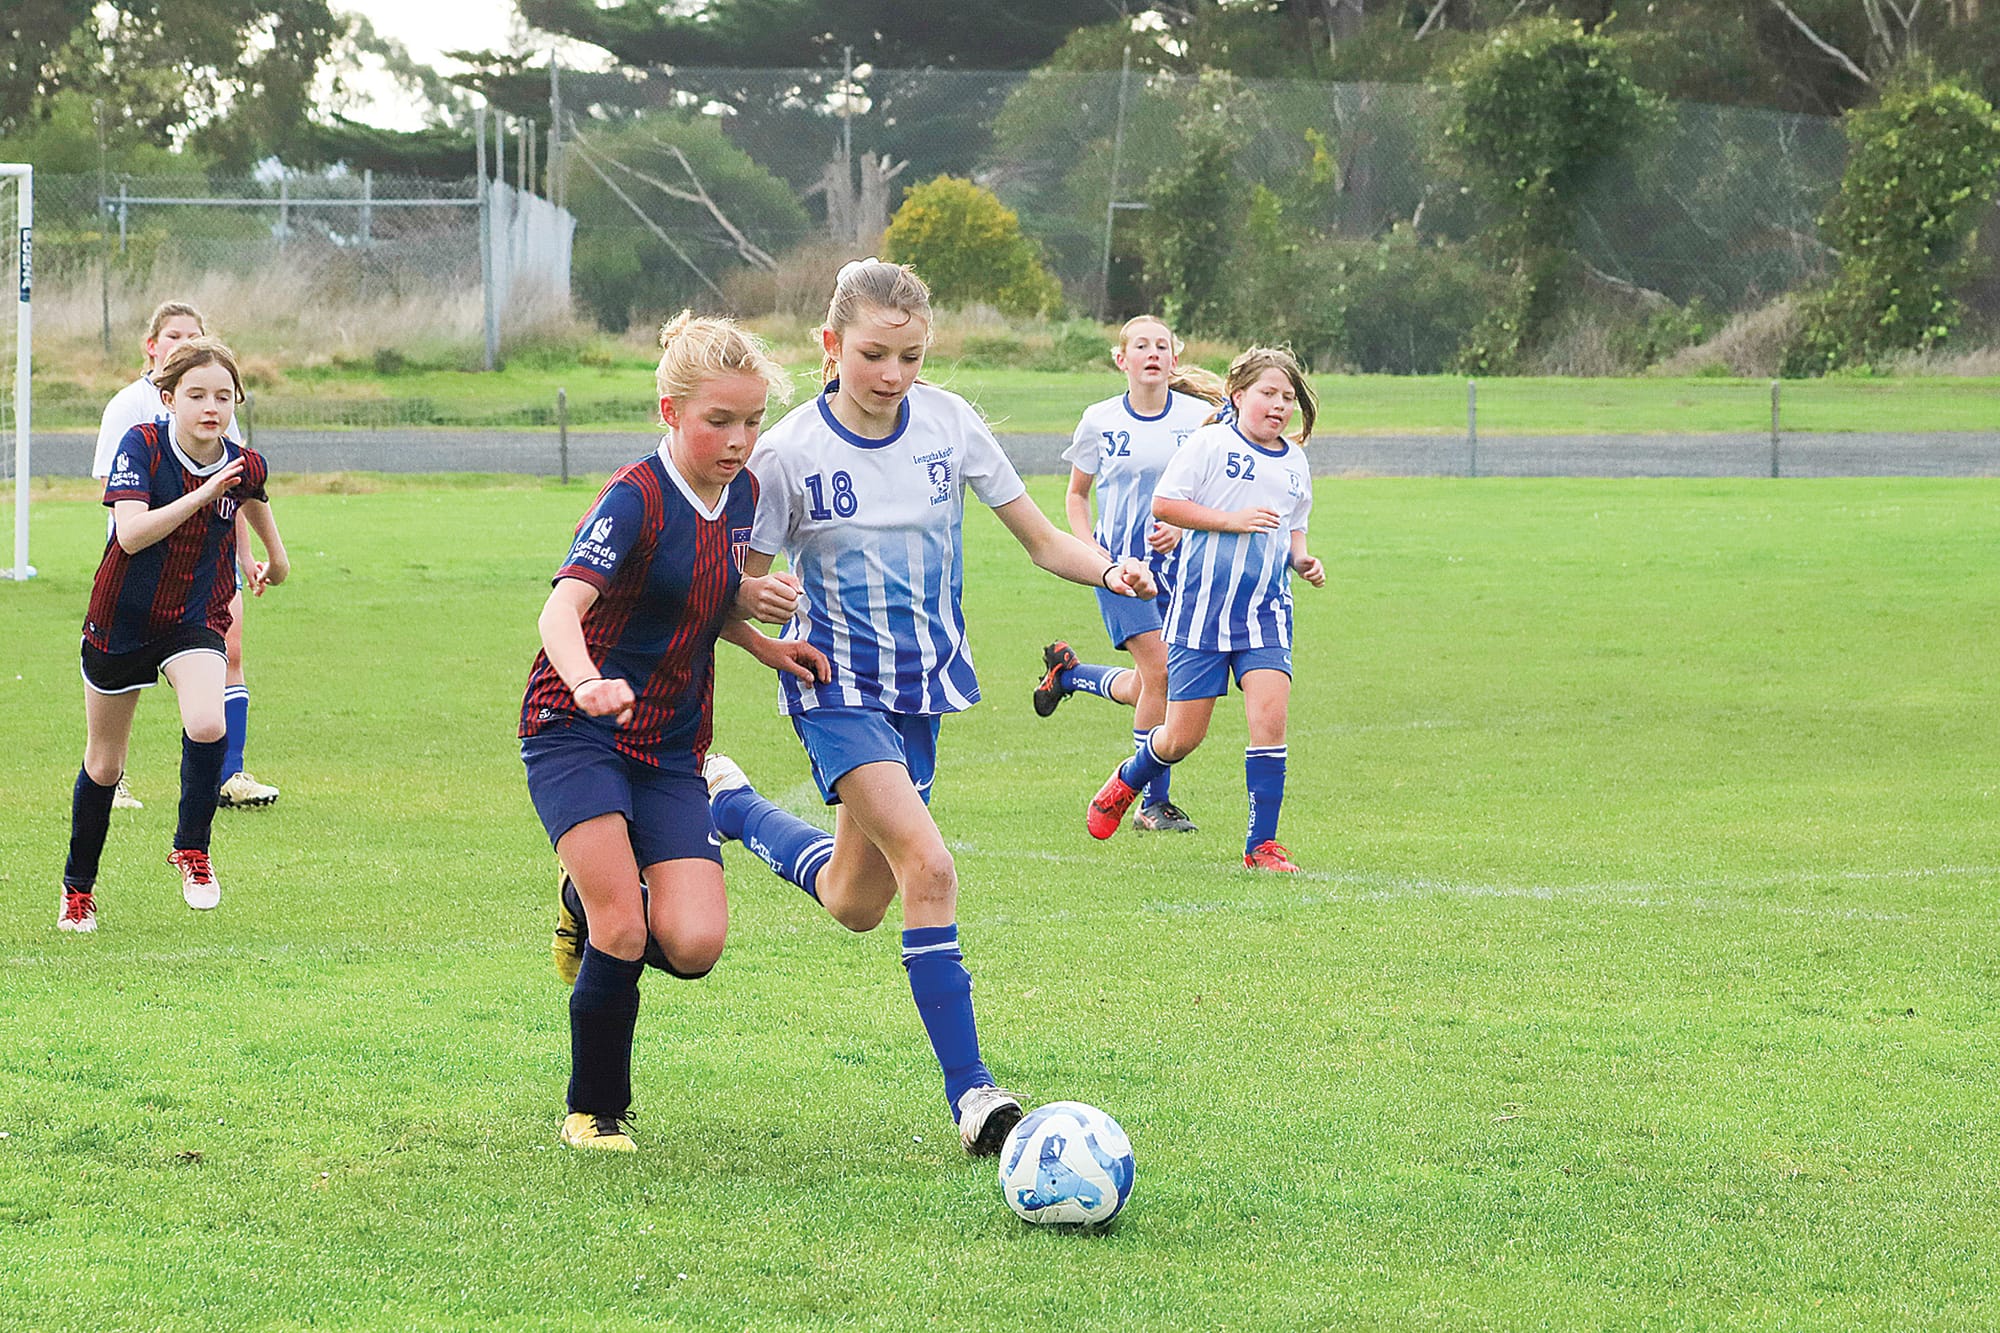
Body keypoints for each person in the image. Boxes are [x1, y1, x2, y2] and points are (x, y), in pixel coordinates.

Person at [701, 259, 1158, 1157]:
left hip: (922, 694)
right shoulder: (787, 454)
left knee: (856, 899)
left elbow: (1038, 537)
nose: (893, 375)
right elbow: (733, 593)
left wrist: (1106, 567)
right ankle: (975, 1094)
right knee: (931, 866)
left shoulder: (949, 424)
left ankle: (731, 805)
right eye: (874, 353)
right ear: (832, 346)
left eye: (911, 355)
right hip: (834, 692)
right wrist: (756, 615)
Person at [521, 313, 825, 1154]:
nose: (738, 439)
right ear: (669, 411)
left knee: (693, 945)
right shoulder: (635, 496)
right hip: (573, 728)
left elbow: (701, 602)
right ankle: (593, 1110)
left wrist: (766, 638)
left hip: (672, 745)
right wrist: (586, 682)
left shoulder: (748, 494)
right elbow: (561, 608)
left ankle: (580, 897)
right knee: (626, 929)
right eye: (717, 421)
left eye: (752, 421)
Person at [60, 338, 288, 931]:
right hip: (123, 616)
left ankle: (193, 848)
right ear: (168, 399)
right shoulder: (142, 446)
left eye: (224, 396)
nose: (212, 407)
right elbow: (131, 534)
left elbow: (254, 495)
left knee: (208, 723)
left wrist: (276, 559)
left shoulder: (243, 462)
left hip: (194, 614)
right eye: (196, 395)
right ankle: (78, 889)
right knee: (106, 764)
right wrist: (206, 494)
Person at [1082, 346, 1326, 873]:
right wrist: (1232, 520)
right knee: (1181, 738)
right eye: (1268, 393)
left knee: (1270, 721)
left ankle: (1262, 846)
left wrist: (1302, 559)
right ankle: (1130, 777)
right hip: (1199, 615)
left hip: (1265, 612)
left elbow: (1293, 525)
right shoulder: (1211, 443)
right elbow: (1166, 505)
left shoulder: (1295, 460)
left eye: (1287, 397)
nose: (1279, 405)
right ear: (1238, 396)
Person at [1030, 315, 1223, 835]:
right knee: (1162, 674)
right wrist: (1094, 555)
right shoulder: (1099, 419)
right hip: (1120, 569)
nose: (1153, 353)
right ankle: (1150, 803)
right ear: (1123, 360)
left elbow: (1213, 492)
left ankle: (1069, 676)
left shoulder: (1202, 417)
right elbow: (1076, 494)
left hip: (1183, 569)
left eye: (1162, 345)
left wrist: (1183, 532)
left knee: (1146, 684)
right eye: (1142, 345)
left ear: (1174, 360)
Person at [93, 300, 283, 812]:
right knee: (120, 688)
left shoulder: (215, 407)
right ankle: (115, 779)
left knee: (230, 657)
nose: (184, 344)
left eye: (193, 335)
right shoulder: (130, 412)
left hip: (208, 565)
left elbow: (239, 487)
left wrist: (250, 556)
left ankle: (228, 776)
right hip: (141, 572)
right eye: (173, 336)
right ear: (152, 347)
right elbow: (122, 515)